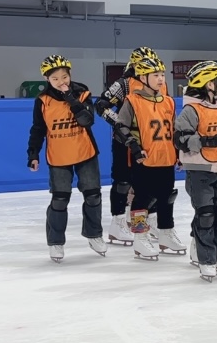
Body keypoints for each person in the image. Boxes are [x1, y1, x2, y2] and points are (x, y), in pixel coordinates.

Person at [26, 55, 105, 263]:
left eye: (64, 77)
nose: (61, 82)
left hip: (85, 152)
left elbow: (87, 120)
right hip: (58, 155)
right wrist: (33, 154)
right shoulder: (42, 101)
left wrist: (70, 97)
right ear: (47, 80)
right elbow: (38, 129)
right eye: (55, 79)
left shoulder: (82, 92)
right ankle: (55, 242)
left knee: (93, 195)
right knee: (60, 200)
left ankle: (94, 234)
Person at [113, 54, 184, 260]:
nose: (161, 79)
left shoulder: (168, 101)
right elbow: (120, 127)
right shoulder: (132, 101)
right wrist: (134, 147)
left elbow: (173, 130)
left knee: (166, 197)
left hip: (166, 157)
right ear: (143, 78)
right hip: (144, 159)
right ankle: (140, 237)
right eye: (155, 75)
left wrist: (179, 153)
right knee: (142, 198)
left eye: (162, 75)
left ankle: (166, 233)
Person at [174, 61, 217, 282]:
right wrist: (208, 141)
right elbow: (180, 139)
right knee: (206, 216)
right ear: (209, 85)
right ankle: (207, 260)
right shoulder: (191, 110)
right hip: (199, 171)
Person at [94, 46, 157, 246]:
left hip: (151, 142)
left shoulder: (158, 83)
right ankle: (118, 222)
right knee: (123, 181)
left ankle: (145, 221)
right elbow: (101, 105)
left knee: (149, 183)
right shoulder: (124, 83)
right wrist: (120, 124)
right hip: (125, 141)